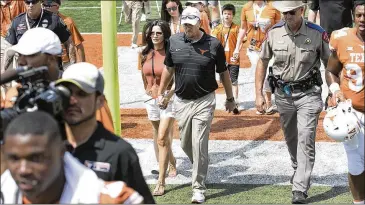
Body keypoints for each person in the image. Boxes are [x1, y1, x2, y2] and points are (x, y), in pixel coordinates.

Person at [158, 6, 236, 204]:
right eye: (185, 24)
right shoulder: (174, 41)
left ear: (200, 23)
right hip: (182, 101)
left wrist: (229, 97)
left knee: (199, 142)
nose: (188, 28)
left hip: (204, 100)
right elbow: (169, 68)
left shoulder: (213, 44)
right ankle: (200, 164)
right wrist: (162, 92)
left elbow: (224, 72)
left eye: (191, 25)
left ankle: (198, 188)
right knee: (185, 143)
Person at [255, 1, 330, 203]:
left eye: (291, 12)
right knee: (291, 138)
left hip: (309, 94)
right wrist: (259, 94)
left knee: (306, 137)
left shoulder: (317, 33)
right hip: (283, 95)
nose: (287, 16)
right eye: (284, 13)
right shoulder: (274, 32)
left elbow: (329, 63)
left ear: (302, 11)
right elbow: (262, 61)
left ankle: (300, 188)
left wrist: (334, 90)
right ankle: (298, 168)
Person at [55, 62, 155, 204]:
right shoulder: (49, 144)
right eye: (66, 92)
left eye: (81, 94)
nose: (72, 100)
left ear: (100, 101)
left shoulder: (119, 152)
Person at [1, 111, 144, 204]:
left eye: (36, 158)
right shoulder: (5, 194)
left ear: (62, 152)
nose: (23, 170)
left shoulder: (111, 200)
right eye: (14, 159)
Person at [325, 1, 364, 204]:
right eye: (359, 15)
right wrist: (335, 89)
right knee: (356, 164)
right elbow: (331, 70)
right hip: (353, 113)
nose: (363, 19)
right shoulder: (341, 38)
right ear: (353, 15)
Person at [139, 20, 177, 196]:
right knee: (158, 135)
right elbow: (143, 74)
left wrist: (168, 96)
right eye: (152, 33)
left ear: (165, 35)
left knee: (162, 137)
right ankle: (171, 161)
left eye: (158, 33)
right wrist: (147, 89)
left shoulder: (172, 53)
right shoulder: (144, 52)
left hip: (169, 98)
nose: (154, 36)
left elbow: (178, 78)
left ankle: (161, 182)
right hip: (151, 99)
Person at [233, 0, 281, 113]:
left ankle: (268, 101)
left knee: (269, 73)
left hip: (270, 47)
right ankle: (260, 100)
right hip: (253, 47)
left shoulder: (273, 7)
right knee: (258, 73)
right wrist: (237, 47)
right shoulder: (246, 7)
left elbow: (279, 27)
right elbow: (243, 28)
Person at [3, 0, 76, 72]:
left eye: (34, 2)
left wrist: (72, 66)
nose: (30, 5)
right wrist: (3, 71)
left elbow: (69, 42)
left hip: (50, 71)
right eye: (27, 2)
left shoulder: (54, 20)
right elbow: (8, 48)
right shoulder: (17, 21)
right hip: (27, 72)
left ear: (41, 2)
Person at [212, 4, 240, 113]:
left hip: (233, 59)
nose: (227, 16)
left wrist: (237, 51)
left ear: (233, 15)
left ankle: (235, 102)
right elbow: (213, 40)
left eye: (229, 14)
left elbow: (241, 41)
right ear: (222, 15)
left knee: (234, 81)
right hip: (221, 59)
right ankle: (228, 99)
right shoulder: (218, 28)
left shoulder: (236, 28)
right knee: (224, 80)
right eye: (225, 14)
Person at [42, 0, 85, 67]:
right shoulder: (40, 22)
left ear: (57, 7)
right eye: (43, 5)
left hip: (66, 63)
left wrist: (83, 66)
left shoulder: (68, 22)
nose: (44, 8)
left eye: (48, 6)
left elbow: (78, 45)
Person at [0, 0, 26, 72]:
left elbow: (28, 16)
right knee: (3, 64)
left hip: (19, 36)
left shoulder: (19, 2)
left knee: (19, 64)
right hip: (3, 37)